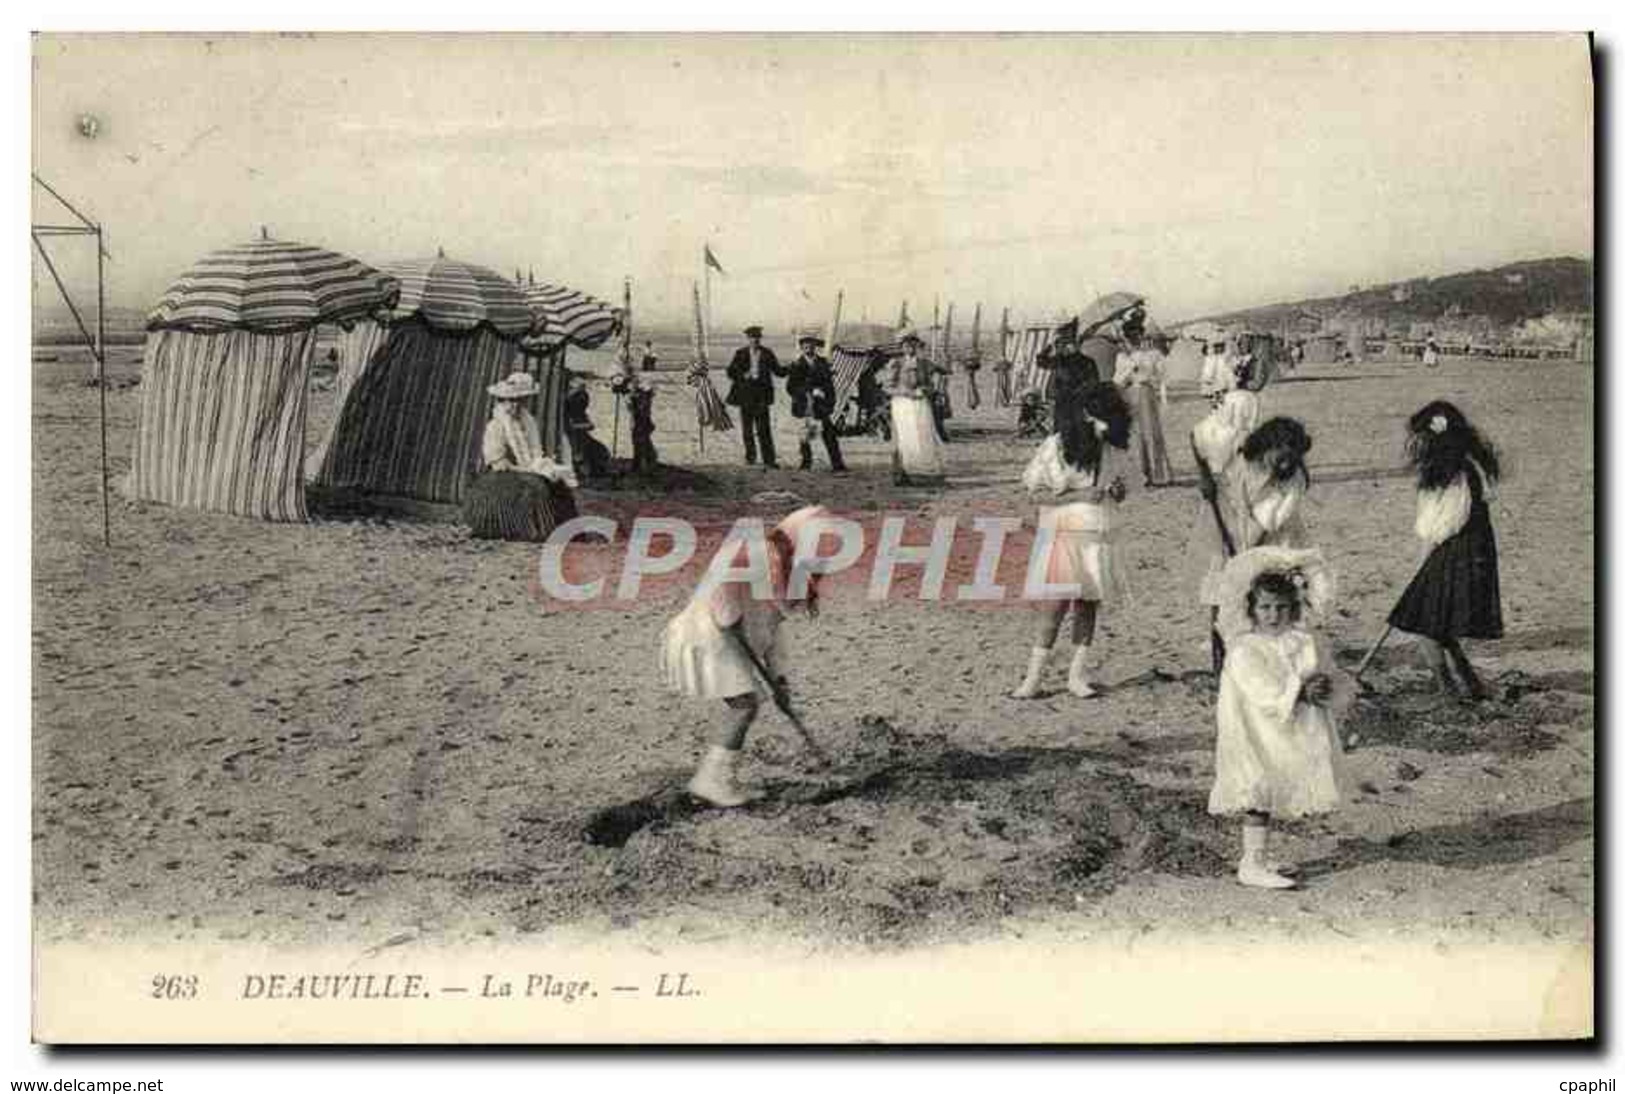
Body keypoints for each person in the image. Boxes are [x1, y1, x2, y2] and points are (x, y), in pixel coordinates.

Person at [663, 506, 830, 807]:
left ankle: (717, 777)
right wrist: (730, 618)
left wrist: (780, 679)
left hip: (733, 639)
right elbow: (720, 579)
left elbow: (774, 629)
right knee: (744, 705)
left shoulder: (789, 570)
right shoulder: (753, 550)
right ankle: (710, 781)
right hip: (709, 633)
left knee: (746, 705)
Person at [1208, 547, 1351, 889]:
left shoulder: (1302, 640)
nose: (1273, 615)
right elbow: (1261, 689)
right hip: (1255, 729)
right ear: (1252, 610)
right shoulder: (1245, 648)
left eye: (1282, 608)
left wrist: (1322, 683)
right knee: (1257, 786)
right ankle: (1250, 862)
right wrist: (1299, 692)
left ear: (1295, 607)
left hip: (1288, 729)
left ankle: (1261, 854)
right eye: (1266, 608)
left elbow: (1321, 669)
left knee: (1277, 784)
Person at [1011, 383, 1134, 699]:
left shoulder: (1113, 449)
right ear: (1084, 415)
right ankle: (1033, 679)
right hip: (1064, 533)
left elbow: (1125, 487)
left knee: (1087, 606)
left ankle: (1076, 677)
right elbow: (1035, 493)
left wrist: (1118, 492)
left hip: (1099, 534)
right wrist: (1079, 494)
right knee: (1053, 608)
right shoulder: (1056, 446)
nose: (1103, 426)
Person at [1385, 401, 1503, 700]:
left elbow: (1441, 525)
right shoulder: (1465, 463)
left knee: (1424, 624)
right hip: (1472, 550)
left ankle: (1446, 688)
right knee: (1438, 623)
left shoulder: (1452, 473)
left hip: (1455, 551)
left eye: (1420, 438)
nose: (1414, 445)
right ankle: (1469, 682)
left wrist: (1421, 562)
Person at [464, 371, 579, 541]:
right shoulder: (495, 426)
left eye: (519, 400)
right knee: (536, 486)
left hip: (524, 470)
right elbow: (500, 464)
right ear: (501, 401)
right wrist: (529, 470)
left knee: (557, 484)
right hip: (501, 476)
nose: (515, 405)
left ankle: (564, 530)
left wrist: (542, 467)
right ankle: (536, 530)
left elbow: (535, 452)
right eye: (510, 400)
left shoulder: (528, 422)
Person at [1115, 325, 1174, 487]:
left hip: (1146, 394)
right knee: (1136, 434)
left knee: (1151, 432)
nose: (1135, 339)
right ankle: (1142, 475)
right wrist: (1128, 371)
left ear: (1142, 336)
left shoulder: (1152, 355)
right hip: (1130, 395)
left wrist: (1150, 380)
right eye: (1131, 337)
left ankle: (1158, 475)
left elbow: (1162, 376)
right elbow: (1118, 382)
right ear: (1126, 339)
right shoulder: (1122, 357)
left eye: (1138, 335)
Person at [887, 328, 947, 485]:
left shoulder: (924, 364)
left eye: (913, 345)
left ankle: (923, 473)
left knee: (922, 436)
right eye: (907, 345)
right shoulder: (896, 364)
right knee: (904, 439)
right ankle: (901, 474)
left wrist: (924, 390)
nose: (910, 348)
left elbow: (931, 385)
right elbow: (888, 387)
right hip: (902, 405)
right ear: (902, 347)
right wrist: (905, 392)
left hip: (920, 404)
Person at [725, 325, 788, 468]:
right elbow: (730, 372)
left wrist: (793, 367)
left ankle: (769, 460)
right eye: (752, 338)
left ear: (760, 339)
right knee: (747, 429)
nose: (755, 340)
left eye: (757, 338)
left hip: (762, 397)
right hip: (745, 395)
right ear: (748, 339)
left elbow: (778, 371)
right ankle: (750, 458)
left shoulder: (767, 353)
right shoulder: (740, 353)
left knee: (764, 429)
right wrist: (742, 375)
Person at [784, 333, 847, 472]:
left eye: (811, 345)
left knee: (829, 434)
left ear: (815, 347)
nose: (808, 347)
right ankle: (806, 464)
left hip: (821, 406)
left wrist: (830, 402)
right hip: (803, 405)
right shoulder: (796, 365)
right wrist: (809, 391)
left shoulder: (823, 363)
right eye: (805, 345)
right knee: (805, 435)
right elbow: (790, 388)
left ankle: (837, 464)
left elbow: (830, 385)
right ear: (801, 348)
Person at [1034, 318, 1102, 406]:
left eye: (1069, 343)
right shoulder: (1059, 360)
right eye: (1062, 344)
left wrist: (1078, 395)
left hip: (1079, 403)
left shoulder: (1087, 362)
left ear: (1077, 344)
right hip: (1060, 401)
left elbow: (1093, 383)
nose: (1065, 347)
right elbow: (1041, 362)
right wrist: (1049, 346)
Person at [563, 372, 611, 481]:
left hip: (581, 436)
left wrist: (584, 425)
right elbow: (570, 426)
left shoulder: (579, 410)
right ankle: (580, 468)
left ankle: (595, 470)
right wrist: (584, 425)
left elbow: (589, 424)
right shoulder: (566, 407)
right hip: (571, 438)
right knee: (578, 447)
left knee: (599, 450)